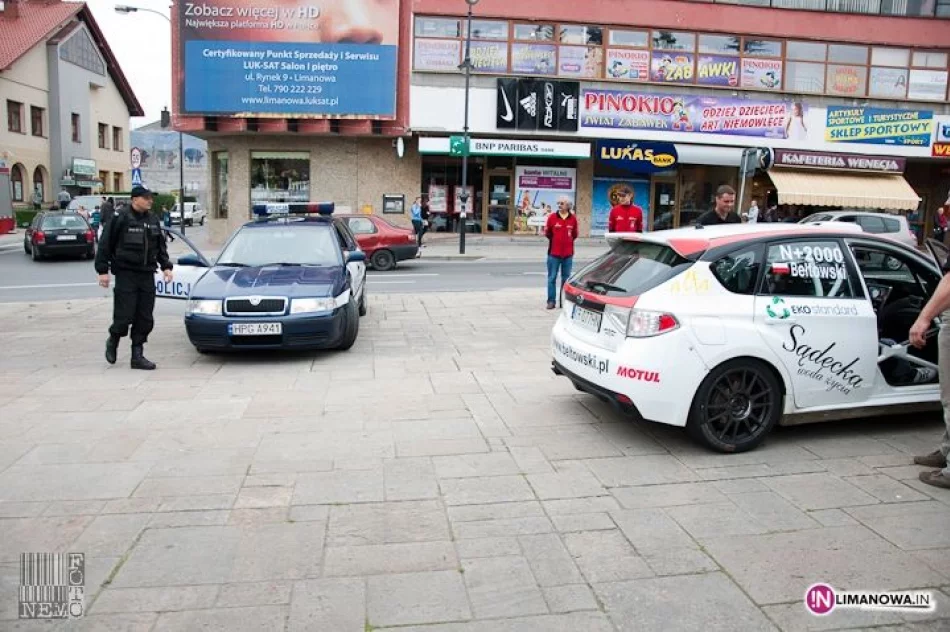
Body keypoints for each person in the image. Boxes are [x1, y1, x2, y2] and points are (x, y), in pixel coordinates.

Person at [94, 186, 173, 370]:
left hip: (146, 273)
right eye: (146, 198)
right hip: (126, 273)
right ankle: (114, 338)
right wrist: (102, 270)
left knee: (145, 317)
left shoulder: (153, 219)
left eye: (150, 198)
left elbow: (160, 246)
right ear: (135, 199)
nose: (150, 201)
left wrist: (166, 266)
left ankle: (137, 355)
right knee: (124, 315)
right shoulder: (120, 217)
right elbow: (105, 244)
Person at [544, 196, 578, 310]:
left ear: (568, 205)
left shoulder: (573, 219)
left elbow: (575, 235)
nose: (559, 205)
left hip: (568, 255)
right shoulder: (552, 217)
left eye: (562, 203)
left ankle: (563, 301)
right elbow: (548, 233)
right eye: (558, 203)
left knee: (566, 278)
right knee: (552, 278)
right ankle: (551, 301)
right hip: (553, 254)